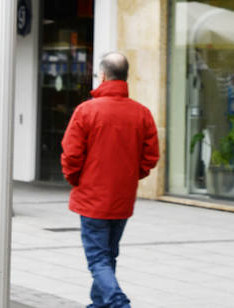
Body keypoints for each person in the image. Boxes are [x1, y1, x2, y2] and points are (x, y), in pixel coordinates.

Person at [61, 51, 160, 308]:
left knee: (98, 259)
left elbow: (71, 155)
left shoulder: (86, 111)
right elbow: (151, 156)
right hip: (122, 198)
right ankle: (99, 304)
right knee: (109, 255)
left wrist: (76, 180)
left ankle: (117, 301)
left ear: (102, 75)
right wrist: (130, 176)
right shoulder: (142, 114)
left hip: (93, 198)